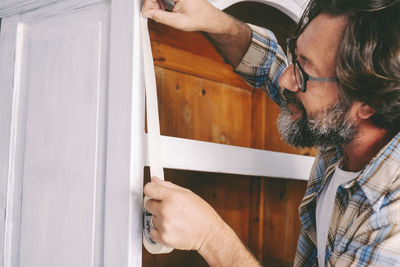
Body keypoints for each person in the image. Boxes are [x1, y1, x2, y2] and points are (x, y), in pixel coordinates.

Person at [141, 0, 400, 265]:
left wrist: (210, 237)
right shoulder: (342, 127)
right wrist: (212, 19)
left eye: (304, 71)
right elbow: (269, 68)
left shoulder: (391, 224)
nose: (286, 79)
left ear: (369, 103)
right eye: (295, 56)